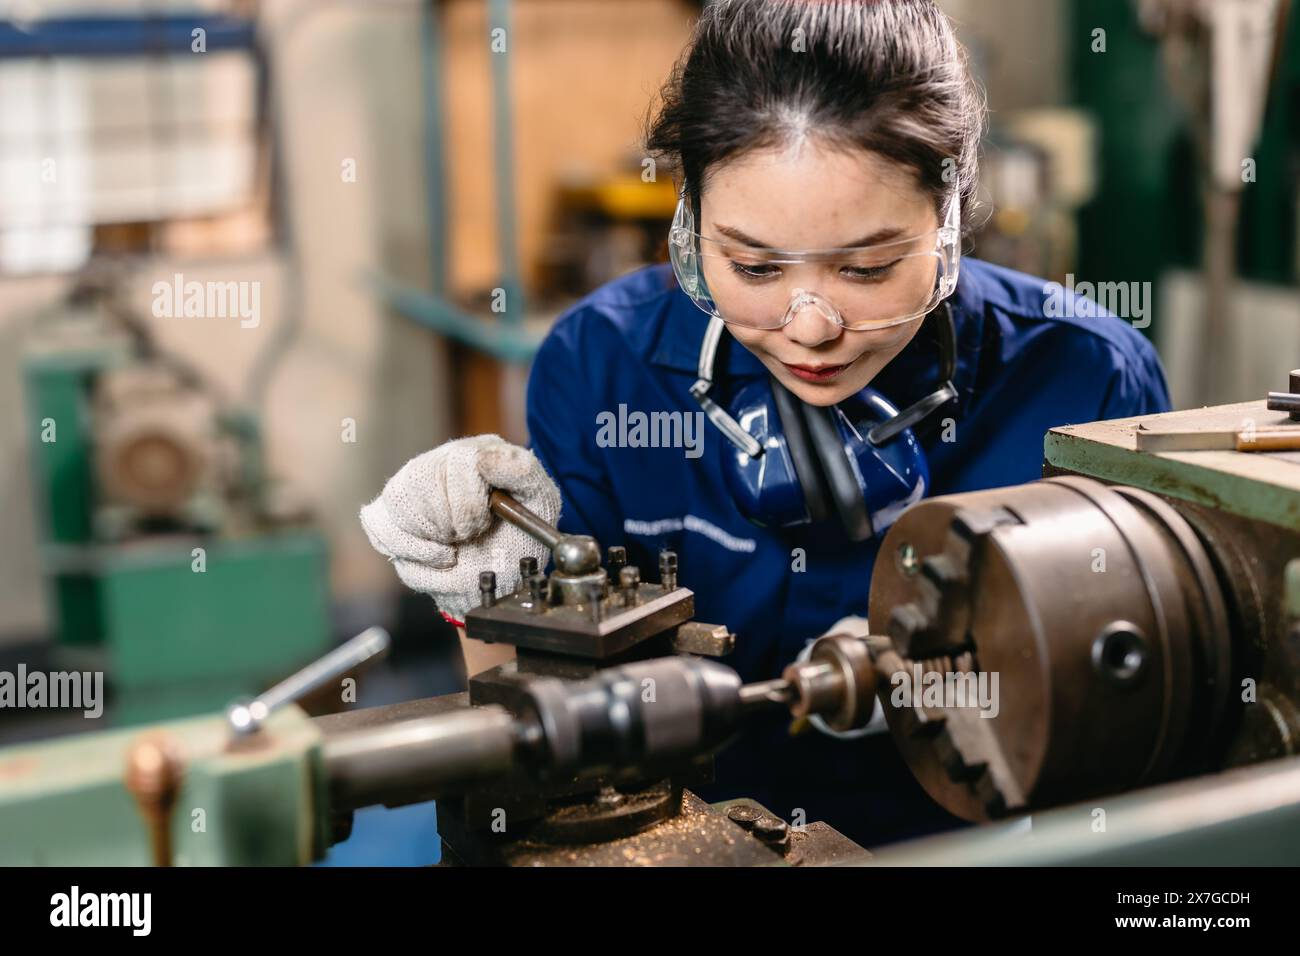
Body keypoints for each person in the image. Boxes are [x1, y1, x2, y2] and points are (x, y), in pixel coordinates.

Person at [361, 0, 1170, 848]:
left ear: (954, 214)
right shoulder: (602, 367)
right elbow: (554, 746)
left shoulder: (1085, 376)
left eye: (868, 267)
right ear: (687, 221)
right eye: (753, 265)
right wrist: (492, 594)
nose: (811, 325)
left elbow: (1136, 711)